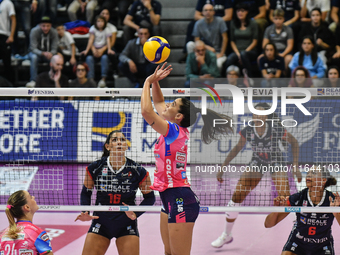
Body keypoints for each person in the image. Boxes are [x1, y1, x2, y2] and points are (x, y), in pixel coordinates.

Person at [141, 63, 233, 255]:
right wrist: (156, 82)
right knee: (168, 252)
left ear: (179, 116)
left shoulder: (173, 130)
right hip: (168, 198)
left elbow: (146, 111)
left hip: (180, 197)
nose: (167, 105)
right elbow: (158, 103)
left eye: (172, 105)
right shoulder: (172, 126)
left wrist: (147, 82)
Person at [211, 102, 301, 248]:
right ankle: (226, 235)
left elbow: (294, 143)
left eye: (261, 113)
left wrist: (295, 166)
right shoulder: (248, 130)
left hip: (275, 160)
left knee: (285, 198)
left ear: (266, 116)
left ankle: (300, 235)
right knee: (237, 195)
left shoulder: (276, 129)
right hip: (257, 161)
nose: (257, 115)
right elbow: (237, 148)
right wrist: (223, 166)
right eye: (255, 113)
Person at [75, 130, 155, 255]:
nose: (119, 142)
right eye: (115, 140)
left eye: (122, 140)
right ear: (108, 146)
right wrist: (85, 211)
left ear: (126, 146)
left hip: (126, 224)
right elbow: (86, 192)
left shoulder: (138, 170)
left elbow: (150, 198)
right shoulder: (95, 168)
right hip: (101, 223)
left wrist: (135, 213)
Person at [265, 168, 340, 255]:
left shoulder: (332, 200)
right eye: (308, 173)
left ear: (323, 180)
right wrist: (276, 210)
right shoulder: (298, 198)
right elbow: (268, 224)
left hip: (322, 245)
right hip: (298, 243)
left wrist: (336, 213)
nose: (308, 175)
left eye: (314, 173)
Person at [0, 190, 53, 254]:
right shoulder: (37, 233)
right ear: (27, 207)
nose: (33, 197)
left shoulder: (3, 235)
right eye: (30, 197)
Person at [187, 4, 228, 71]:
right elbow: (197, 41)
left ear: (214, 12)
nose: (208, 12)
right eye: (206, 10)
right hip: (202, 50)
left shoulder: (220, 21)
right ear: (202, 13)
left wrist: (221, 53)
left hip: (217, 52)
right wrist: (208, 47)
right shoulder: (198, 23)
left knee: (218, 64)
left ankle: (215, 79)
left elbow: (225, 38)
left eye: (210, 10)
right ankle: (192, 64)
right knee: (190, 44)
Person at [224, 3, 258, 77]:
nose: (240, 13)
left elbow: (255, 41)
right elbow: (232, 41)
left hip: (250, 51)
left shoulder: (253, 23)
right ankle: (227, 80)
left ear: (247, 12)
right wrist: (238, 54)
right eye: (238, 11)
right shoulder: (233, 23)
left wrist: (244, 53)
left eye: (242, 11)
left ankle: (249, 78)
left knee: (244, 55)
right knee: (229, 59)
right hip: (237, 51)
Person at [81, 15, 114, 88]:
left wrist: (109, 49)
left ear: (104, 22)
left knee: (105, 58)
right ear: (95, 22)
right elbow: (91, 40)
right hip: (94, 49)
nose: (100, 23)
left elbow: (108, 40)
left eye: (102, 21)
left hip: (103, 49)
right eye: (98, 21)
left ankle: (103, 79)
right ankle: (91, 79)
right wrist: (88, 50)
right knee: (89, 58)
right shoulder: (92, 28)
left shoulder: (107, 29)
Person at [26, 16, 58, 88]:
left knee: (55, 58)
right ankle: (33, 80)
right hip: (36, 53)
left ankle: (54, 79)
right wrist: (42, 53)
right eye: (43, 26)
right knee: (34, 58)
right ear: (40, 25)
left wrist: (51, 53)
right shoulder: (34, 31)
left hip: (49, 54)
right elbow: (33, 48)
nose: (45, 28)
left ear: (51, 25)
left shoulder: (54, 32)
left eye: (48, 26)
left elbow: (55, 48)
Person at [0, 0, 16, 84]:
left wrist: (11, 35)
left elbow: (13, 19)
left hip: (4, 35)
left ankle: (10, 86)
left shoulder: (7, 3)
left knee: (7, 64)